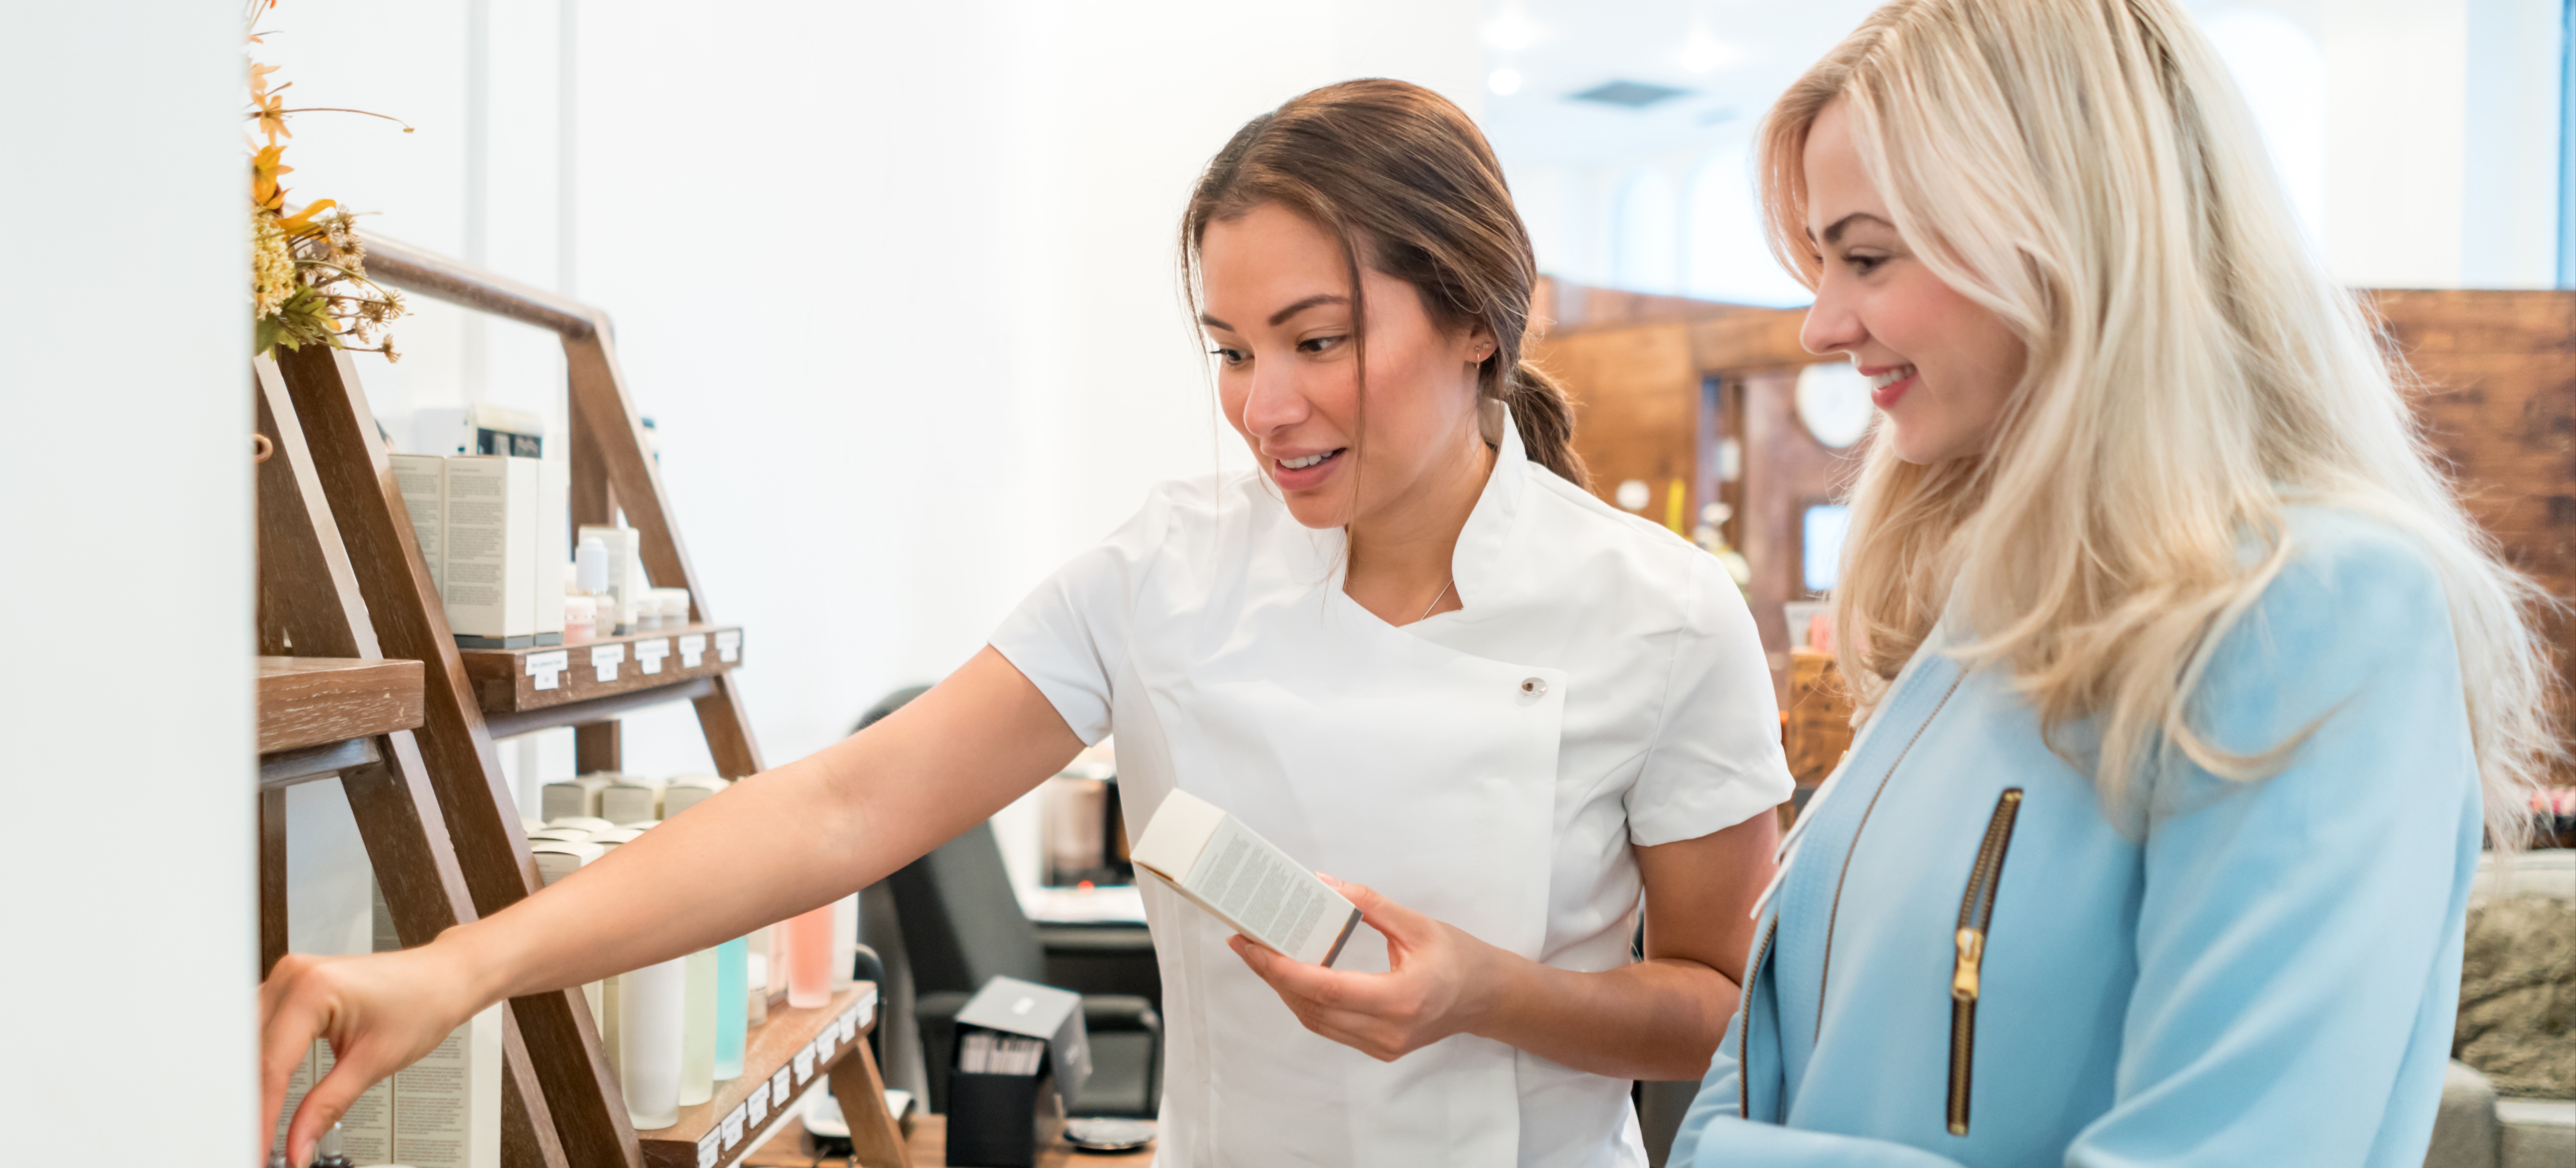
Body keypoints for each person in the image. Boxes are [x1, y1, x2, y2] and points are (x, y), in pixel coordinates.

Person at [261, 79, 1793, 1168]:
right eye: (1232, 346)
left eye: (1318, 341)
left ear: (1474, 319)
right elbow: (839, 807)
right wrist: (456, 969)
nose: (1265, 407)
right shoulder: (1167, 576)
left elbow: (1718, 1010)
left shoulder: (1657, 618)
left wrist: (1489, 996)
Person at [1667, 1, 2563, 1165]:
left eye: (1867, 256)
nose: (1821, 326)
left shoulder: (2315, 612)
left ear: (2060, 233)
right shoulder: (1980, 615)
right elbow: (1770, 1053)